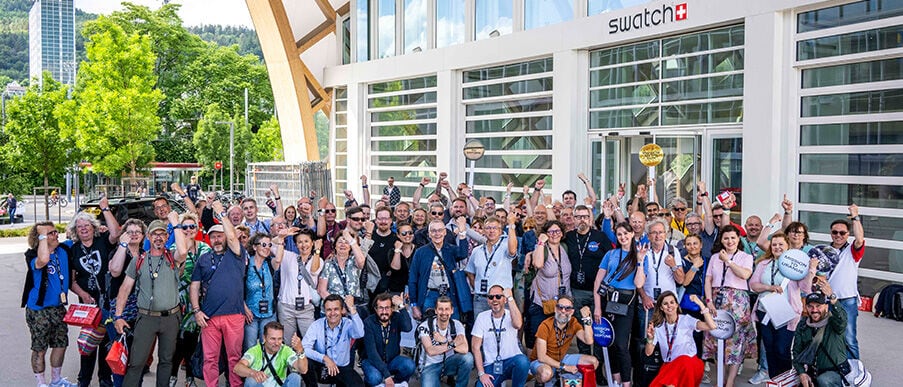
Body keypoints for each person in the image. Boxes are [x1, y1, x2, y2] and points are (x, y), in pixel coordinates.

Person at [113, 213, 187, 387]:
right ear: (149, 237)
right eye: (155, 234)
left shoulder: (172, 258)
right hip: (146, 318)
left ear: (167, 237)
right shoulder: (139, 260)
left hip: (171, 318)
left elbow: (183, 251)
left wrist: (175, 223)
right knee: (136, 362)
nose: (158, 237)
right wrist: (118, 316)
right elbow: (125, 288)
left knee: (166, 361)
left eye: (162, 234)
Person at [190, 200, 248, 387]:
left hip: (234, 315)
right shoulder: (204, 259)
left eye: (220, 236)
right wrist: (196, 311)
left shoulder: (237, 254)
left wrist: (221, 214)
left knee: (234, 357)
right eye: (212, 236)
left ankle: (235, 385)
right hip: (209, 317)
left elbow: (233, 238)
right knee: (210, 358)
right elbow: (194, 286)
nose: (216, 239)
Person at [67, 197, 121, 387]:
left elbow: (116, 232)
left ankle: (105, 380)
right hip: (88, 306)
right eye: (79, 226)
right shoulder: (73, 250)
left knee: (107, 343)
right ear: (76, 230)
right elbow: (71, 280)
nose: (83, 228)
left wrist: (105, 209)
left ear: (94, 227)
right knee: (88, 344)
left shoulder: (103, 241)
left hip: (107, 302)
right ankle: (84, 380)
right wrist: (82, 294)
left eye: (87, 225)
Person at [750, 232, 817, 378]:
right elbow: (753, 285)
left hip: (786, 313)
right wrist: (769, 288)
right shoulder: (764, 264)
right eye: (774, 244)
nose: (777, 247)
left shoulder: (795, 266)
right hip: (765, 310)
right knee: (769, 348)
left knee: (782, 349)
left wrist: (811, 270)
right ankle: (775, 380)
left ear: (787, 247)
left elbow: (805, 288)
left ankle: (786, 379)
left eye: (781, 244)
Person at [23, 222, 79, 387]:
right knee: (39, 348)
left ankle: (56, 380)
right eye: (50, 233)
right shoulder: (32, 255)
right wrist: (41, 236)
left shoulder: (64, 249)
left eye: (56, 232)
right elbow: (43, 259)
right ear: (40, 238)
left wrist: (99, 230)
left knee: (60, 344)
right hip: (38, 310)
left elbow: (83, 239)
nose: (56, 235)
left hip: (58, 308)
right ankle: (41, 383)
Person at [593, 222, 647, 387]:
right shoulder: (610, 254)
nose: (623, 237)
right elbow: (598, 281)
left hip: (626, 303)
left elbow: (639, 284)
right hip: (608, 300)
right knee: (609, 342)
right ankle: (615, 379)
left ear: (631, 234)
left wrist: (639, 262)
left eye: (625, 233)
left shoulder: (639, 254)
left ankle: (626, 382)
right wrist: (597, 307)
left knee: (621, 345)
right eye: (619, 234)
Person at [703, 225, 756, 387]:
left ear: (738, 239)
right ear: (721, 240)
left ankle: (730, 381)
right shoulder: (714, 257)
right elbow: (708, 279)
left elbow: (745, 274)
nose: (730, 241)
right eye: (726, 238)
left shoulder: (745, 257)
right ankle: (721, 377)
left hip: (737, 301)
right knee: (716, 337)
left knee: (736, 342)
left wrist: (728, 261)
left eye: (733, 237)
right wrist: (709, 300)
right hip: (717, 299)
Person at [643, 292, 717, 387]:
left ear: (677, 305)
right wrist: (650, 338)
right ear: (661, 308)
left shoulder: (686, 320)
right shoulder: (658, 327)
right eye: (665, 304)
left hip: (690, 364)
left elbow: (712, 326)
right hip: (669, 366)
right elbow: (648, 353)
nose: (669, 306)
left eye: (672, 302)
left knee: (684, 360)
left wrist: (701, 305)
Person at [170, 214, 210, 387]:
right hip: (178, 300)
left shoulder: (205, 249)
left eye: (191, 227)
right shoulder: (174, 247)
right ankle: (172, 375)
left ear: (197, 228)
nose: (188, 230)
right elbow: (175, 270)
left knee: (192, 339)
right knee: (177, 339)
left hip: (198, 301)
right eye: (184, 227)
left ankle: (189, 376)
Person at [106, 219, 145, 387]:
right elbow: (115, 271)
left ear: (143, 236)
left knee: (138, 357)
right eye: (130, 231)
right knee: (120, 355)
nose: (134, 234)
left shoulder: (146, 254)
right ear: (123, 235)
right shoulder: (117, 252)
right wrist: (122, 246)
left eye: (138, 231)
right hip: (120, 311)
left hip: (142, 312)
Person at [409, 219, 471, 321]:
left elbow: (463, 253)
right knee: (429, 328)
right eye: (433, 231)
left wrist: (462, 231)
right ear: (429, 234)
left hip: (449, 294)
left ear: (445, 232)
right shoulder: (420, 252)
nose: (437, 234)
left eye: (440, 230)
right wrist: (414, 304)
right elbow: (413, 278)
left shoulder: (450, 249)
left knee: (452, 325)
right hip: (429, 294)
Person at [530, 295, 598, 387]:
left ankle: (562, 378)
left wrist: (587, 319)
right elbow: (542, 357)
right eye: (560, 307)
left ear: (572, 311)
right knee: (546, 374)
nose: (563, 311)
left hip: (561, 358)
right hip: (541, 362)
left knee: (593, 362)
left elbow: (589, 341)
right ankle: (539, 382)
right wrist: (565, 367)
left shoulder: (573, 322)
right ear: (555, 309)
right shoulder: (545, 325)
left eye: (567, 308)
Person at [826, 204, 866, 360]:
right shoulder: (824, 250)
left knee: (849, 338)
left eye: (842, 233)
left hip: (847, 300)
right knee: (827, 336)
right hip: (827, 300)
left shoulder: (852, 250)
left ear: (847, 234)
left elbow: (860, 238)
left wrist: (855, 216)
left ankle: (855, 373)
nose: (838, 235)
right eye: (835, 232)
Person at [792, 281, 849, 387]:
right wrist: (802, 373)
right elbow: (796, 352)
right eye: (810, 306)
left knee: (824, 381)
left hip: (836, 372)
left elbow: (842, 321)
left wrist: (832, 298)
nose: (814, 310)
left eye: (818, 306)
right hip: (813, 371)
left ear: (826, 307)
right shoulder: (803, 324)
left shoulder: (834, 322)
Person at [301, 294, 365, 387]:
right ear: (324, 311)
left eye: (336, 309)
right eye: (329, 310)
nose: (332, 313)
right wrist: (324, 358)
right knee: (305, 360)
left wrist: (352, 308)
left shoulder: (348, 323)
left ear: (342, 310)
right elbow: (304, 348)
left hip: (341, 368)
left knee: (358, 385)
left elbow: (360, 333)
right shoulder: (316, 325)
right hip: (322, 367)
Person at [525, 220, 571, 349]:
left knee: (556, 338)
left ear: (562, 233)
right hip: (542, 302)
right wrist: (541, 242)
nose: (554, 234)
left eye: (557, 231)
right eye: (550, 231)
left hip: (561, 303)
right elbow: (538, 264)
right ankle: (533, 366)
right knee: (537, 336)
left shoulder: (565, 247)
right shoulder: (542, 248)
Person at [472, 286, 529, 387]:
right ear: (488, 300)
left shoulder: (511, 314)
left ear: (504, 299)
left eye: (498, 296)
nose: (494, 300)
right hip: (491, 365)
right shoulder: (482, 317)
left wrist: (511, 298)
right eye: (491, 297)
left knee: (523, 361)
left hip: (511, 362)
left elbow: (518, 324)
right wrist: (481, 374)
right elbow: (475, 347)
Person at [466, 215, 518, 316]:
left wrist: (511, 225)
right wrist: (477, 287)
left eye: (495, 228)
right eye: (488, 228)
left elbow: (512, 250)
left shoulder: (505, 247)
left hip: (501, 298)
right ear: (484, 231)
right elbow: (470, 272)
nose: (491, 231)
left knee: (503, 328)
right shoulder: (477, 251)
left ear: (500, 231)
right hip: (481, 298)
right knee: (480, 328)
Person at [417, 296, 473, 387]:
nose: (444, 312)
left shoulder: (457, 324)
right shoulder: (425, 326)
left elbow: (465, 349)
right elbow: (430, 351)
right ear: (435, 311)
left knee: (468, 358)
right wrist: (453, 344)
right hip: (430, 366)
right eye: (440, 309)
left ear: (452, 311)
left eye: (447, 309)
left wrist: (444, 340)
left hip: (448, 363)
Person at [277, 230, 322, 342]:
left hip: (306, 307)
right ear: (296, 244)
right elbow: (272, 244)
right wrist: (284, 235)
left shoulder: (318, 259)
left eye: (306, 241)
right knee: (288, 342)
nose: (303, 245)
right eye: (300, 242)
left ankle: (306, 360)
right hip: (286, 306)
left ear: (312, 243)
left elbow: (314, 271)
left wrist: (317, 250)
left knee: (310, 341)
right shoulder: (288, 256)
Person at [233, 321, 308, 387]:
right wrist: (253, 373)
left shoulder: (285, 350)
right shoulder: (255, 350)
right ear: (264, 338)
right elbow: (237, 368)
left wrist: (300, 350)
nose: (277, 343)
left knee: (295, 377)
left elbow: (303, 370)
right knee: (251, 381)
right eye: (273, 339)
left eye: (279, 339)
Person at [362, 293, 414, 387]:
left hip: (391, 360)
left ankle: (397, 383)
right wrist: (387, 376)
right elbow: (372, 353)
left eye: (387, 308)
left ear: (392, 308)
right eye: (381, 308)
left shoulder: (396, 318)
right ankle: (371, 382)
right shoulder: (368, 322)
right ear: (375, 309)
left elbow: (408, 327)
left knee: (409, 365)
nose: (384, 311)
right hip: (372, 361)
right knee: (374, 378)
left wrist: (401, 306)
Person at [244, 233, 280, 351]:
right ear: (255, 247)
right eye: (263, 244)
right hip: (251, 313)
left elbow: (278, 259)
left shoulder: (269, 263)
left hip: (269, 313)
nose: (267, 248)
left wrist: (281, 240)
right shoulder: (246, 264)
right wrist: (244, 308)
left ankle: (265, 369)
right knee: (251, 347)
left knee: (268, 347)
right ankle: (251, 370)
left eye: (269, 245)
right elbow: (238, 289)